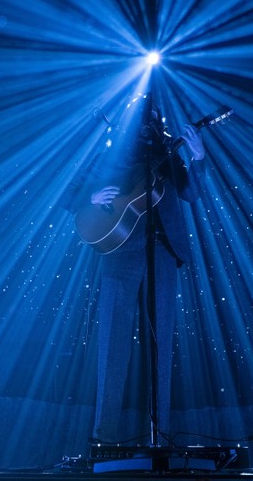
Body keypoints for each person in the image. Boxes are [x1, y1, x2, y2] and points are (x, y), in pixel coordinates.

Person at [62, 101, 207, 443]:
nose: (149, 122)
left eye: (154, 118)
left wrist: (199, 159)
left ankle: (162, 434)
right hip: (117, 249)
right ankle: (105, 435)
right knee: (112, 342)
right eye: (143, 117)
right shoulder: (107, 153)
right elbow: (69, 194)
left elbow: (191, 193)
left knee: (163, 342)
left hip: (163, 248)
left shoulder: (169, 154)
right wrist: (93, 196)